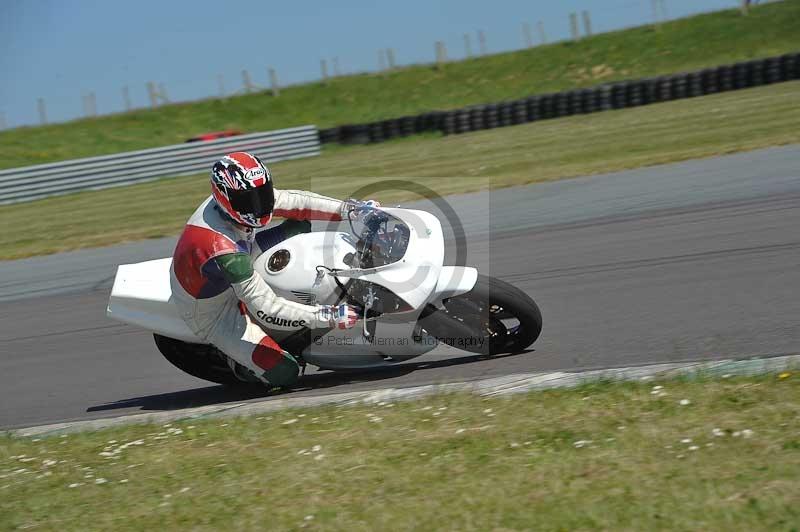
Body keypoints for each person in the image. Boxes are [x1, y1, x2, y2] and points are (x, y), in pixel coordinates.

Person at [170, 151, 376, 388]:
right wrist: (327, 316)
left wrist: (351, 209)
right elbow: (265, 305)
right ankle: (235, 361)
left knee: (299, 224)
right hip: (214, 311)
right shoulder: (222, 247)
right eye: (251, 200)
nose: (260, 205)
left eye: (264, 193)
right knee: (284, 374)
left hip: (235, 258)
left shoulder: (241, 200)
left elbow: (297, 202)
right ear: (225, 199)